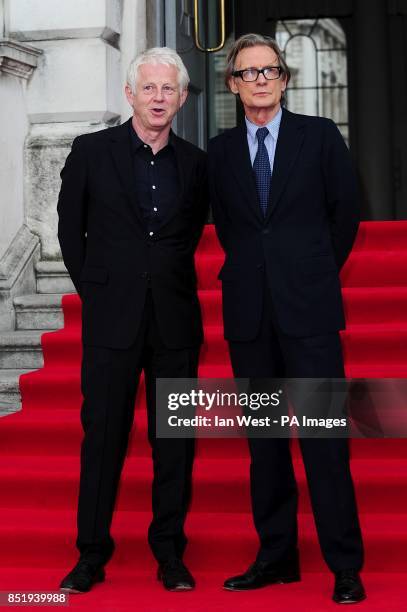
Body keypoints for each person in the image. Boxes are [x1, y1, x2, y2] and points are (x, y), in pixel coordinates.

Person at [208, 33, 365, 604]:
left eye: (269, 70)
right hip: (250, 317)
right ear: (232, 84)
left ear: (285, 78)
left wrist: (309, 271)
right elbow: (230, 226)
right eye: (247, 73)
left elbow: (344, 214)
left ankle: (345, 565)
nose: (260, 80)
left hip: (311, 312)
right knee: (265, 445)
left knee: (325, 440)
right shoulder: (220, 151)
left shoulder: (320, 137)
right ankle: (276, 558)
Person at [57, 47, 208, 593]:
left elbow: (185, 235)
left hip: (174, 325)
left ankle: (169, 553)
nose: (159, 98)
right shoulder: (91, 152)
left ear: (183, 98)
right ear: (130, 94)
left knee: (175, 443)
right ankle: (90, 554)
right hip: (111, 323)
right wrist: (98, 294)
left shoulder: (195, 164)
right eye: (149, 88)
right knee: (103, 440)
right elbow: (70, 232)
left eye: (169, 89)